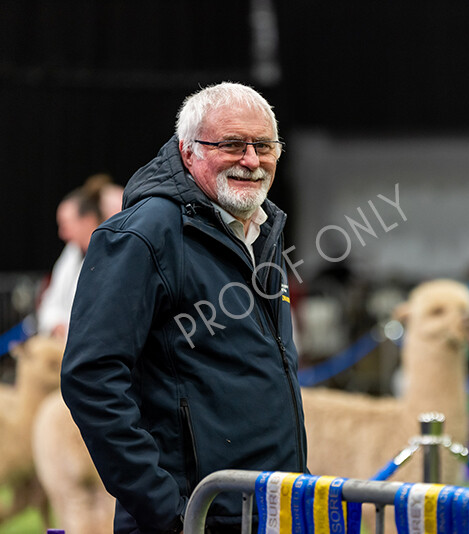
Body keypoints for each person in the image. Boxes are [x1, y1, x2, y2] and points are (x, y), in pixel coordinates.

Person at [60, 82, 306, 534]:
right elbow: (91, 377)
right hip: (193, 518)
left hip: (267, 510)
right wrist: (168, 510)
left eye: (264, 146)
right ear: (187, 151)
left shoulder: (262, 228)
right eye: (232, 144)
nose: (251, 160)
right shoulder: (143, 235)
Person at [37, 175, 121, 338]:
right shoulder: (71, 253)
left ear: (87, 220)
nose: (62, 233)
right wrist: (56, 325)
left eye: (66, 224)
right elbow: (50, 302)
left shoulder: (114, 252)